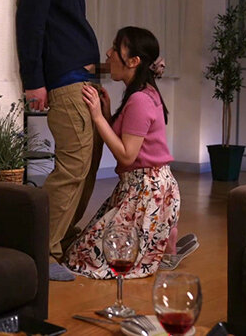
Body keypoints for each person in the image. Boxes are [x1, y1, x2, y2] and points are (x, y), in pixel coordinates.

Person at [15, 0, 107, 281]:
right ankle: (42, 250)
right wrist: (34, 80)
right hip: (65, 82)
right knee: (72, 168)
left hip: (79, 80)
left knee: (83, 167)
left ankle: (59, 241)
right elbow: (30, 20)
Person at [62, 26, 181, 279]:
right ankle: (163, 243)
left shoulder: (140, 99)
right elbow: (127, 144)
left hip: (147, 192)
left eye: (116, 48)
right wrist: (106, 114)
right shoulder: (143, 93)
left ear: (134, 61)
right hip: (141, 187)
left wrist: (97, 117)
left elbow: (127, 155)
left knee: (82, 259)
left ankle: (162, 246)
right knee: (81, 249)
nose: (108, 53)